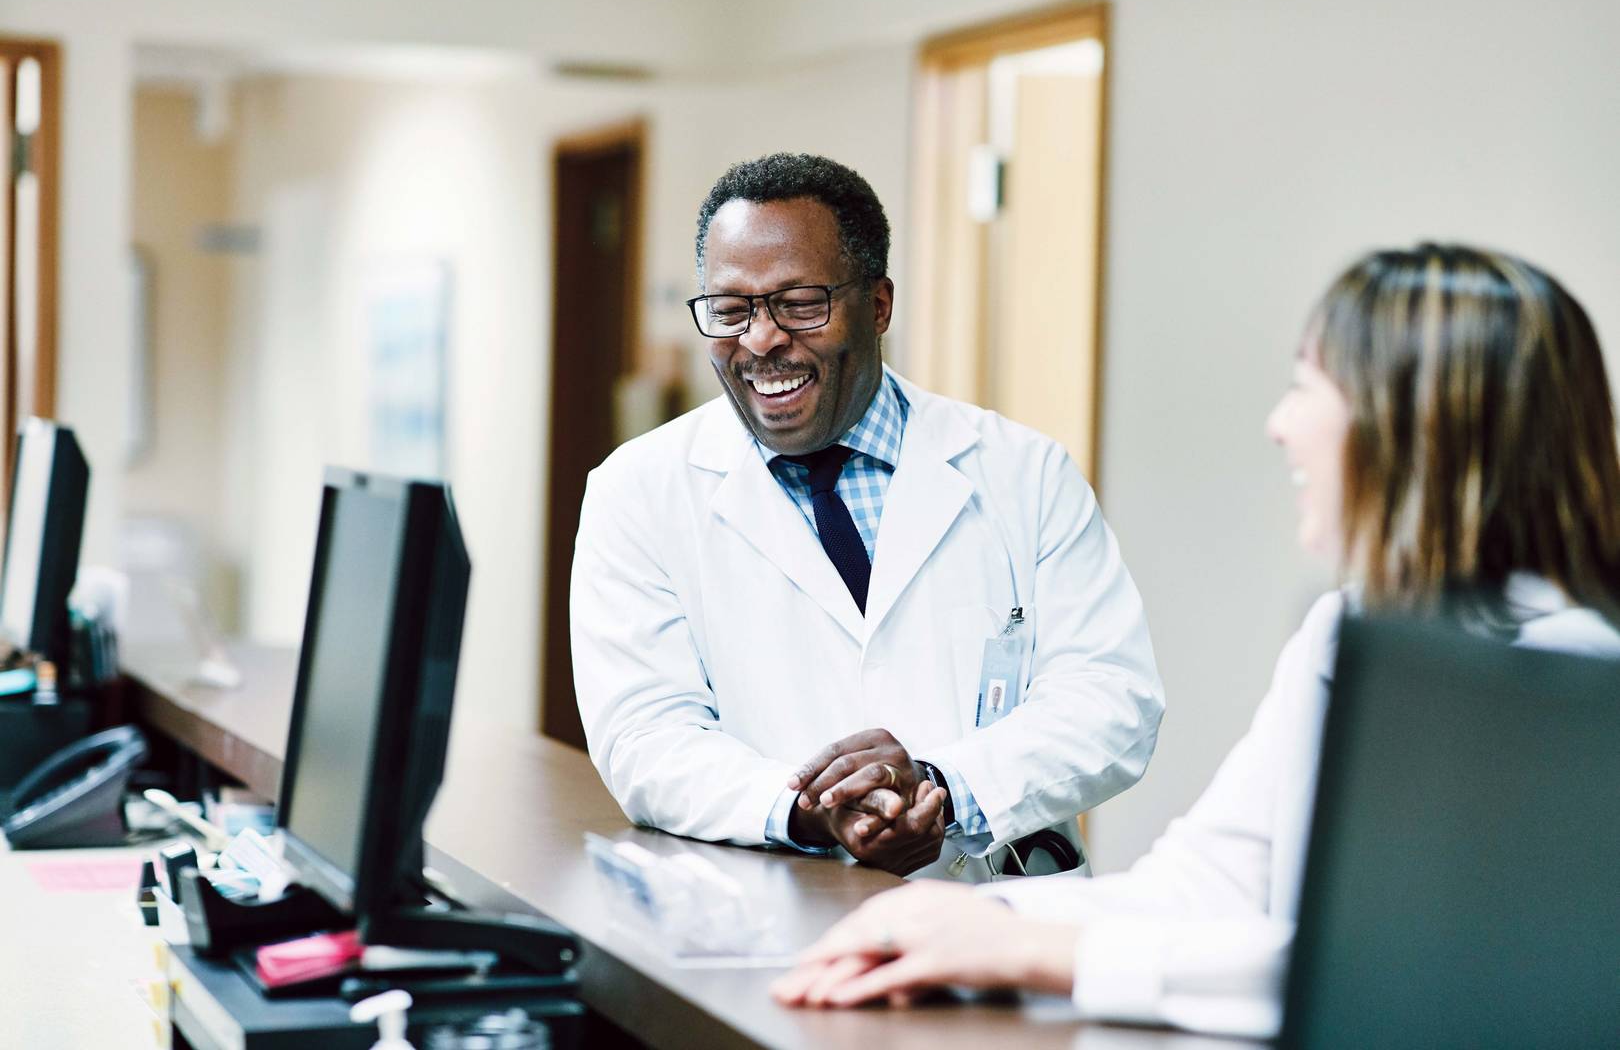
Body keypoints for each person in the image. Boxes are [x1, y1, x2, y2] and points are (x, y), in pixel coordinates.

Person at [771, 243, 1620, 1033]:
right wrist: (961, 917)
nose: (1280, 424)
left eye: (1310, 385)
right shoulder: (1350, 633)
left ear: (1418, 423)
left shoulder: (1572, 680)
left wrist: (1042, 951)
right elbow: (1209, 883)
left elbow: (1413, 968)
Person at [570, 153, 1163, 879]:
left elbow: (1112, 702)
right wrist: (807, 809)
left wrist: (941, 788)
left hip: (996, 917)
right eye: (731, 309)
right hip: (777, 918)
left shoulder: (1022, 473)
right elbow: (645, 735)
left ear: (878, 304)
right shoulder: (637, 492)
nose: (760, 340)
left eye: (799, 303)